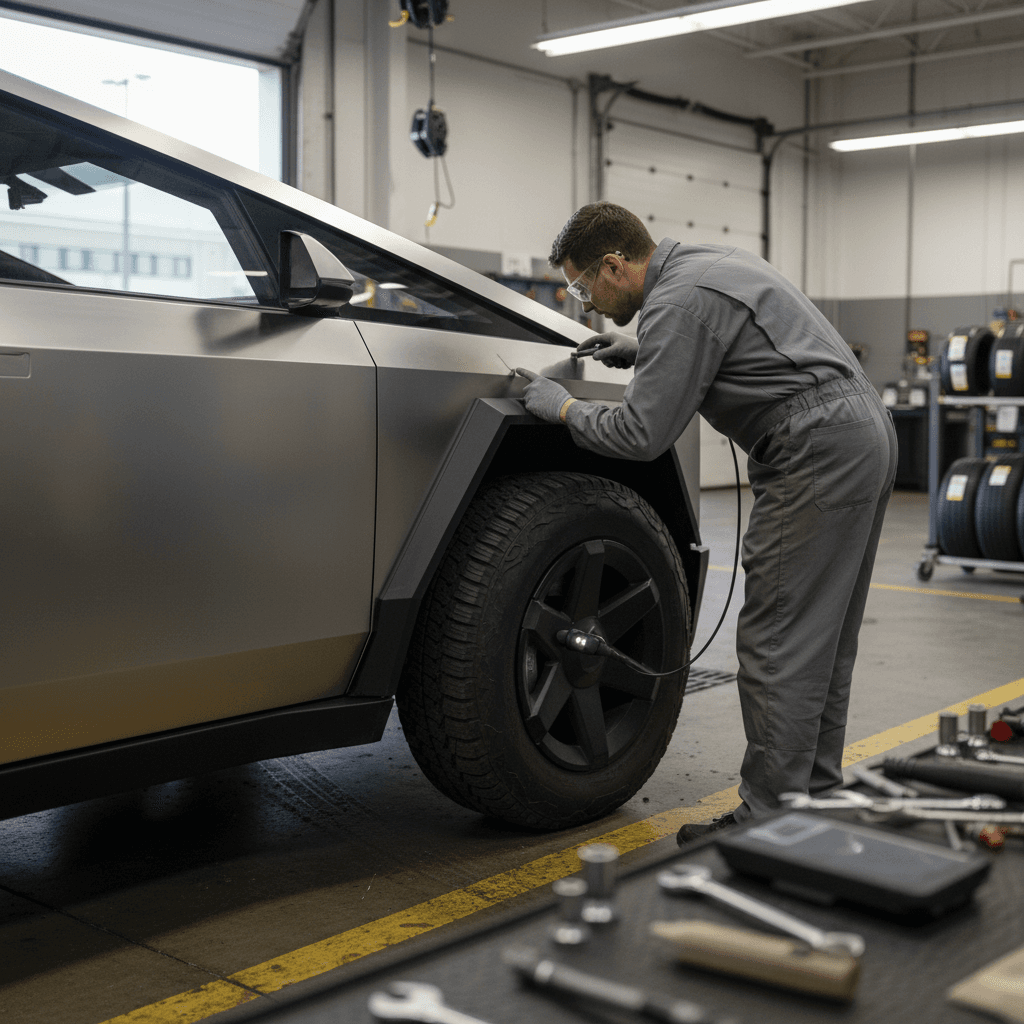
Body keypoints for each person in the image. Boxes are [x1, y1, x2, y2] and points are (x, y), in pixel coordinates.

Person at [518, 201, 897, 843]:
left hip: (813, 448)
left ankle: (769, 818)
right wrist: (642, 349)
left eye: (584, 286)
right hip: (862, 436)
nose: (584, 302)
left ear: (615, 264)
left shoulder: (677, 302)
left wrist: (561, 408)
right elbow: (729, 337)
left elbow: (641, 433)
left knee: (778, 639)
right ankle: (818, 795)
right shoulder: (705, 267)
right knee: (823, 638)